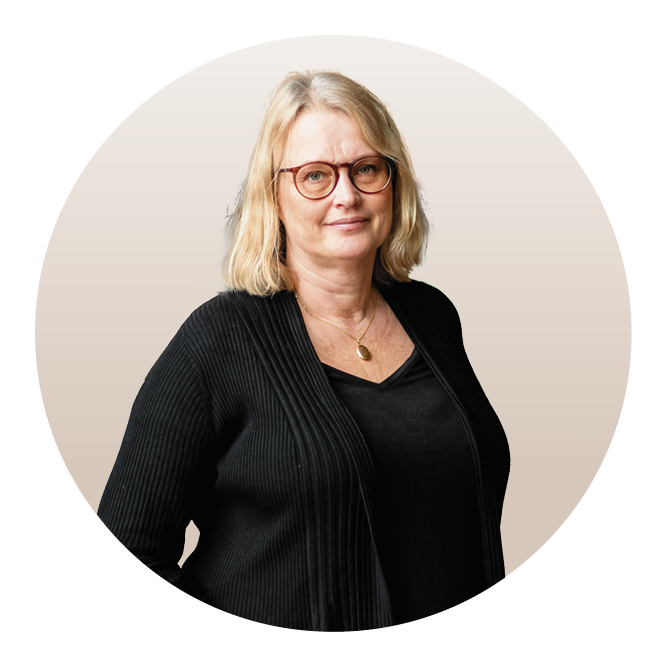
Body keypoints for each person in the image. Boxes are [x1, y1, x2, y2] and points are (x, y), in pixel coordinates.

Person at [98, 70, 510, 631]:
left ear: (394, 182)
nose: (347, 195)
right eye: (315, 175)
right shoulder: (218, 340)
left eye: (367, 169)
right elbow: (125, 558)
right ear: (273, 196)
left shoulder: (433, 316)